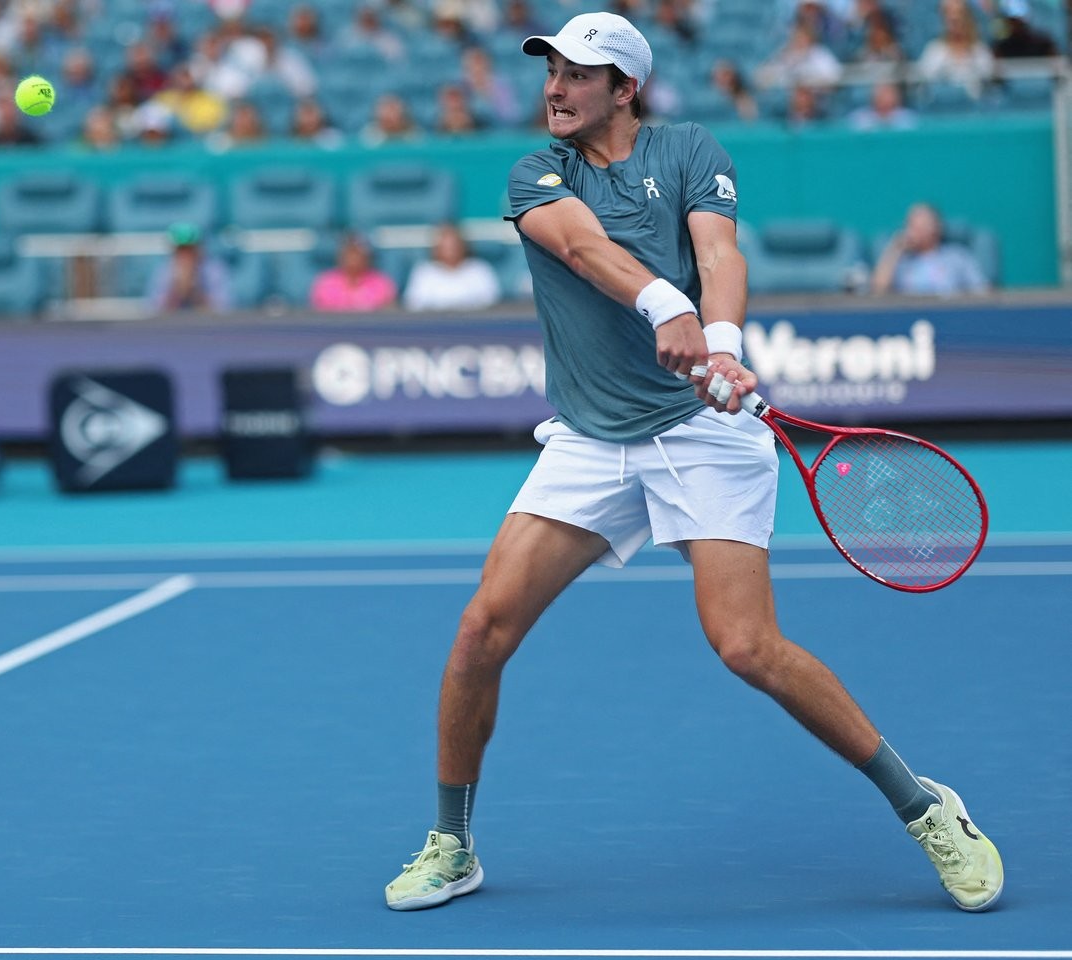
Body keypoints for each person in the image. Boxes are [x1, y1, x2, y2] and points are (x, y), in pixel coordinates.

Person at [383, 11, 1003, 916]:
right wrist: (667, 309)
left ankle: (927, 807)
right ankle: (452, 842)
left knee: (747, 646)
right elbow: (585, 251)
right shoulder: (535, 172)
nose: (555, 88)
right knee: (482, 631)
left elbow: (721, 249)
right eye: (551, 71)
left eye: (579, 76)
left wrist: (719, 340)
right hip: (593, 439)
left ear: (625, 89)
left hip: (702, 437)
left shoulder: (686, 149)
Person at [870, 202, 990, 296]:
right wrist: (895, 248)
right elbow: (878, 291)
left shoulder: (957, 257)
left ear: (937, 227)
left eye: (922, 226)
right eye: (911, 226)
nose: (914, 232)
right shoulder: (902, 262)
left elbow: (982, 291)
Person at [402, 223, 501, 311]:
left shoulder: (480, 270)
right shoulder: (424, 272)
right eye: (445, 246)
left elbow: (492, 303)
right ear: (436, 248)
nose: (450, 250)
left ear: (463, 245)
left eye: (453, 245)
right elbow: (413, 305)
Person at [146, 223, 232, 313]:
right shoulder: (163, 272)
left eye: (190, 249)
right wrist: (177, 290)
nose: (185, 255)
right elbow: (155, 311)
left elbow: (223, 310)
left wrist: (194, 292)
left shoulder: (215, 270)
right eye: (181, 249)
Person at [308, 234, 396, 312]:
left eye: (357, 253)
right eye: (349, 253)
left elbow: (388, 311)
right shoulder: (325, 282)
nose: (353, 258)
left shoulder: (381, 282)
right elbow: (318, 313)